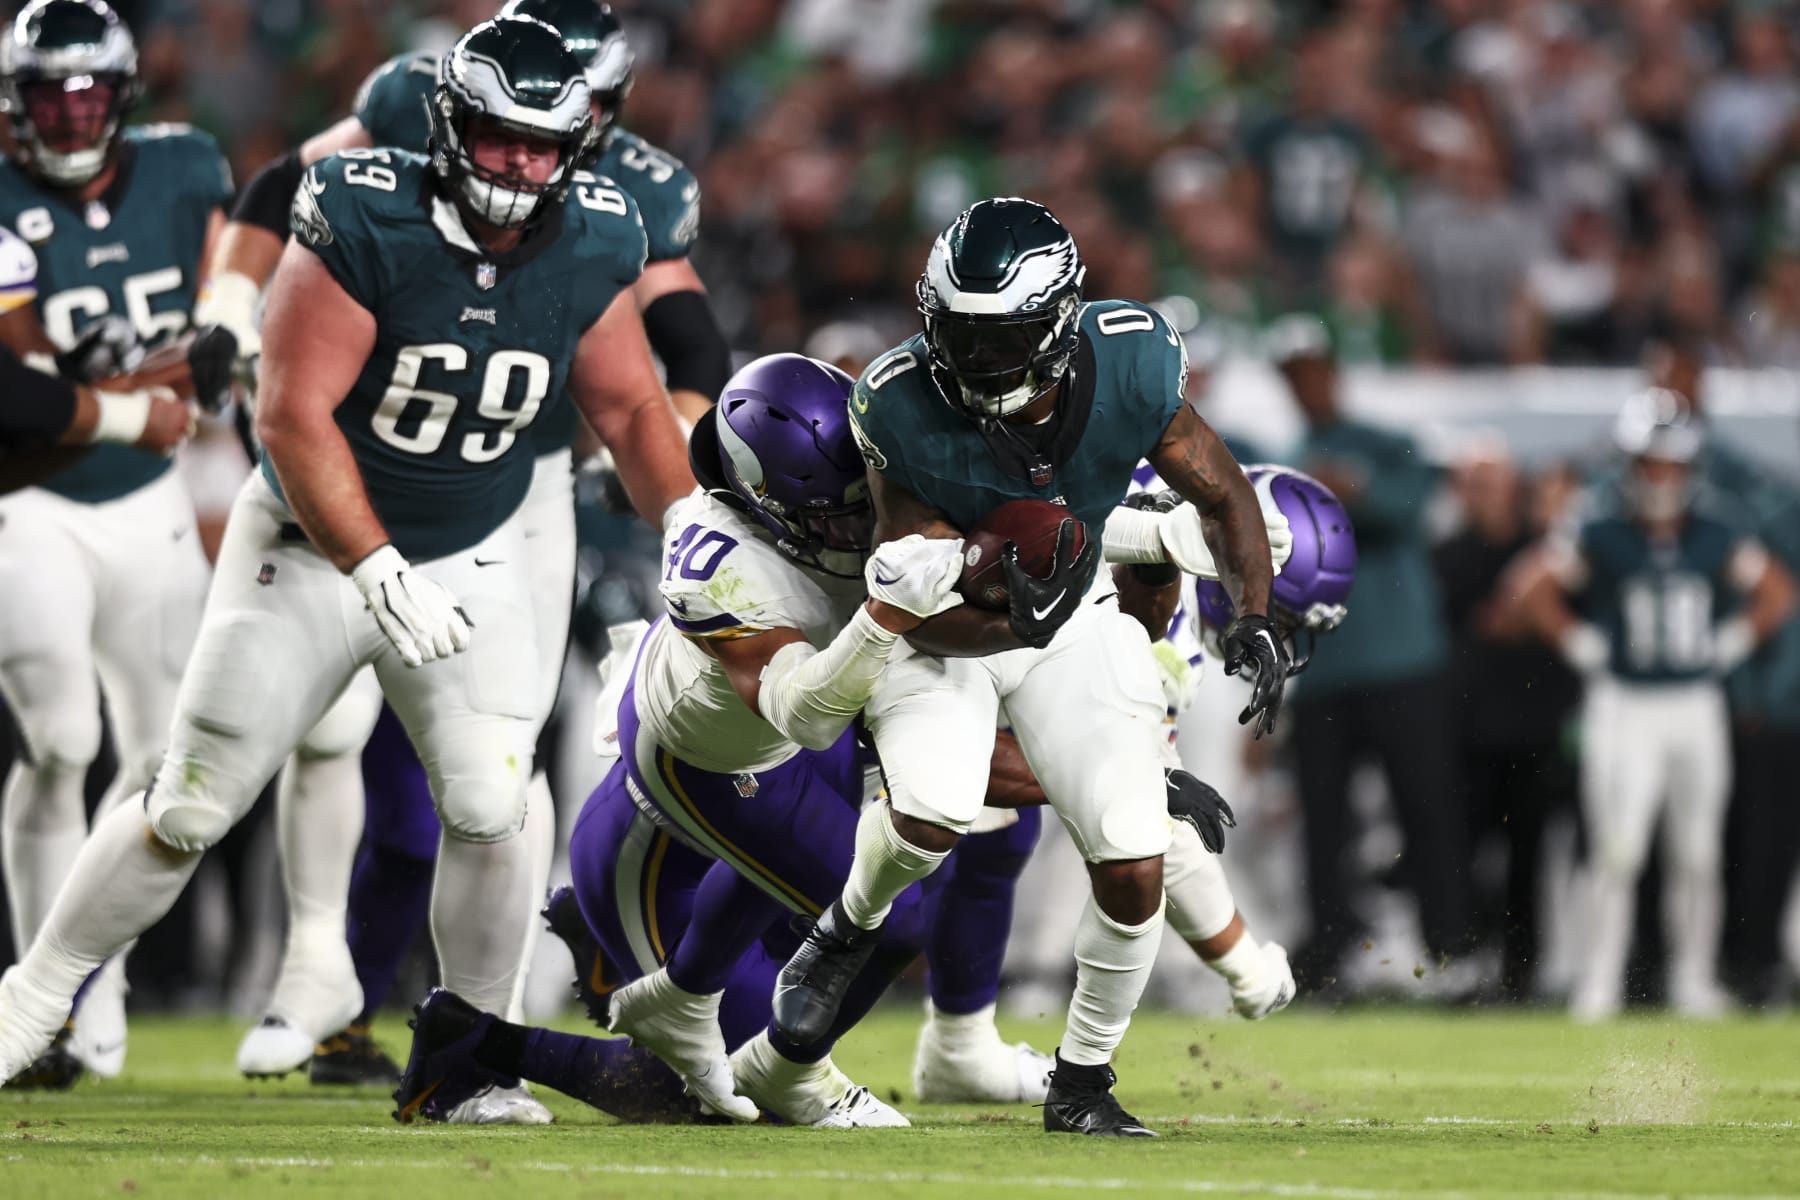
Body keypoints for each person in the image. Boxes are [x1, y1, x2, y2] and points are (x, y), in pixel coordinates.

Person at [0, 17, 695, 1091]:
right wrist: (372, 564)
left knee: (491, 801)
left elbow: (632, 404)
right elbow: (290, 415)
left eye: (543, 144)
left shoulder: (598, 230)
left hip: (475, 547)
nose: (520, 164)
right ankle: (31, 1005)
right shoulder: (365, 210)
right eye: (501, 137)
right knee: (188, 803)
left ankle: (466, 1062)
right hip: (314, 545)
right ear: (455, 128)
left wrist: (693, 530)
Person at [221, 0, 730, 1090]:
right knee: (323, 728)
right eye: (512, 121)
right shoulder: (408, 107)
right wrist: (231, 305)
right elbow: (277, 188)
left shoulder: (628, 190)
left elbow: (683, 338)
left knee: (495, 759)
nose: (536, 148)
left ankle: (486, 1017)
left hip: (520, 473)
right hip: (362, 438)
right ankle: (318, 973)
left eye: (572, 121)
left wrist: (668, 459)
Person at [787, 198, 1291, 1137]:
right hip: (948, 619)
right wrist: (1019, 605)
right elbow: (920, 605)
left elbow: (1222, 497)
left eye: (1000, 340)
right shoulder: (897, 397)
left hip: (1068, 606)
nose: (972, 362)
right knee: (931, 812)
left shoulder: (1136, 363)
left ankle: (1083, 1082)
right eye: (957, 337)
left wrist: (1254, 617)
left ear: (1057, 322)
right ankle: (844, 931)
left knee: (1135, 852)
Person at [0, 0, 226, 1086]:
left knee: (162, 761)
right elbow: (28, 391)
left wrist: (192, 361)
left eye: (89, 90)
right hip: (30, 499)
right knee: (57, 743)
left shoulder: (188, 171)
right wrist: (143, 390)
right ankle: (35, 997)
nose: (71, 110)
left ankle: (97, 983)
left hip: (150, 504)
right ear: (18, 99)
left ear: (124, 94)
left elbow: (230, 323)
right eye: (51, 91)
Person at [1507, 390, 1795, 1020]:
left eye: (1670, 463)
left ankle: (1693, 980)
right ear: (1632, 464)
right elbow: (1530, 586)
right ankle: (1599, 982)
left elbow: (1777, 590)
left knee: (1697, 851)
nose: (1660, 476)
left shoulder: (1717, 529)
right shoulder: (1600, 526)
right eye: (1649, 463)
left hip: (1694, 702)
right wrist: (1578, 641)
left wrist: (1735, 640)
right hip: (1624, 704)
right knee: (1620, 846)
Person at [1268, 313, 1473, 995]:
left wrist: (1351, 490)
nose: (1308, 385)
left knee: (1427, 809)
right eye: (1294, 376)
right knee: (1324, 825)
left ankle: (1453, 951)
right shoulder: (1289, 457)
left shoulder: (1386, 444)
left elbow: (1414, 507)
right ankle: (1330, 958)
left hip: (1404, 662)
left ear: (1334, 372)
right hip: (1324, 667)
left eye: (1314, 370)